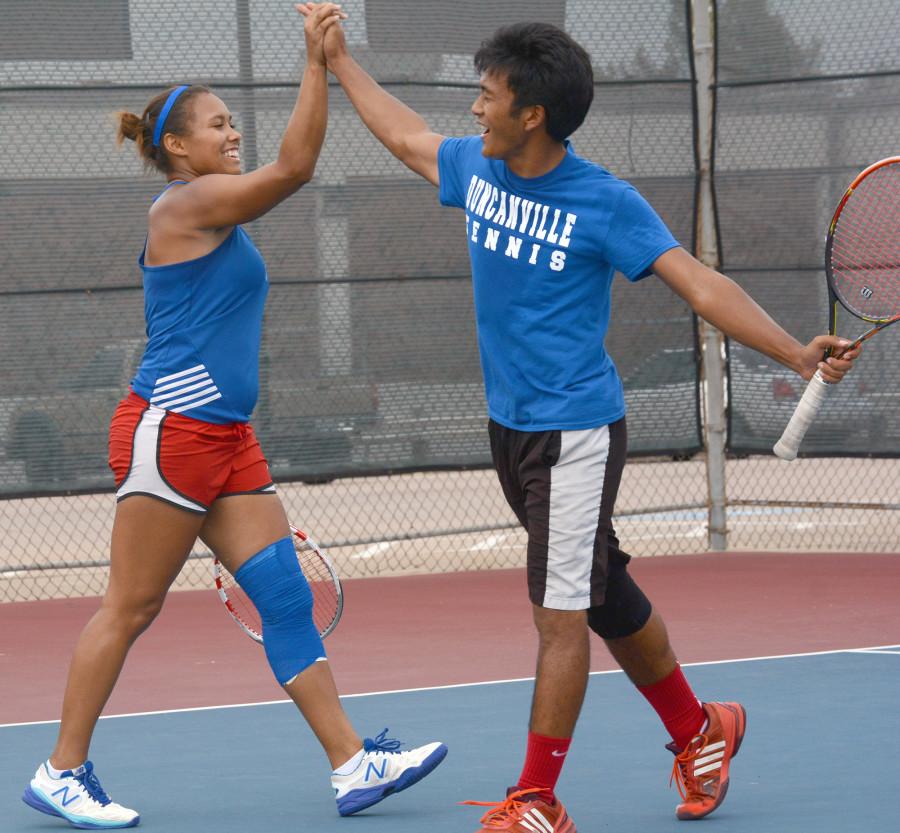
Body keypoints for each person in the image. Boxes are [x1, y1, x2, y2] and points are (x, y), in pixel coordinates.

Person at [298, 12, 862, 833]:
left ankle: (538, 798)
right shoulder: (477, 167)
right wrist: (341, 62)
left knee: (558, 614)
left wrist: (794, 354)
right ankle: (699, 730)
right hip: (511, 426)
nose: (475, 110)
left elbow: (699, 284)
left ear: (533, 114)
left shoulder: (604, 200)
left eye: (489, 97)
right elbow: (407, 137)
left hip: (573, 434)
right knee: (599, 593)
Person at [21, 5, 447, 829]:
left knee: (284, 598)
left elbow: (285, 165)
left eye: (230, 124)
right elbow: (296, 166)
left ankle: (352, 763)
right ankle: (62, 768)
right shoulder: (182, 208)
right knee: (131, 605)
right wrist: (316, 63)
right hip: (170, 432)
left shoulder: (211, 202)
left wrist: (318, 64)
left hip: (227, 440)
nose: (230, 134)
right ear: (177, 147)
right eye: (217, 125)